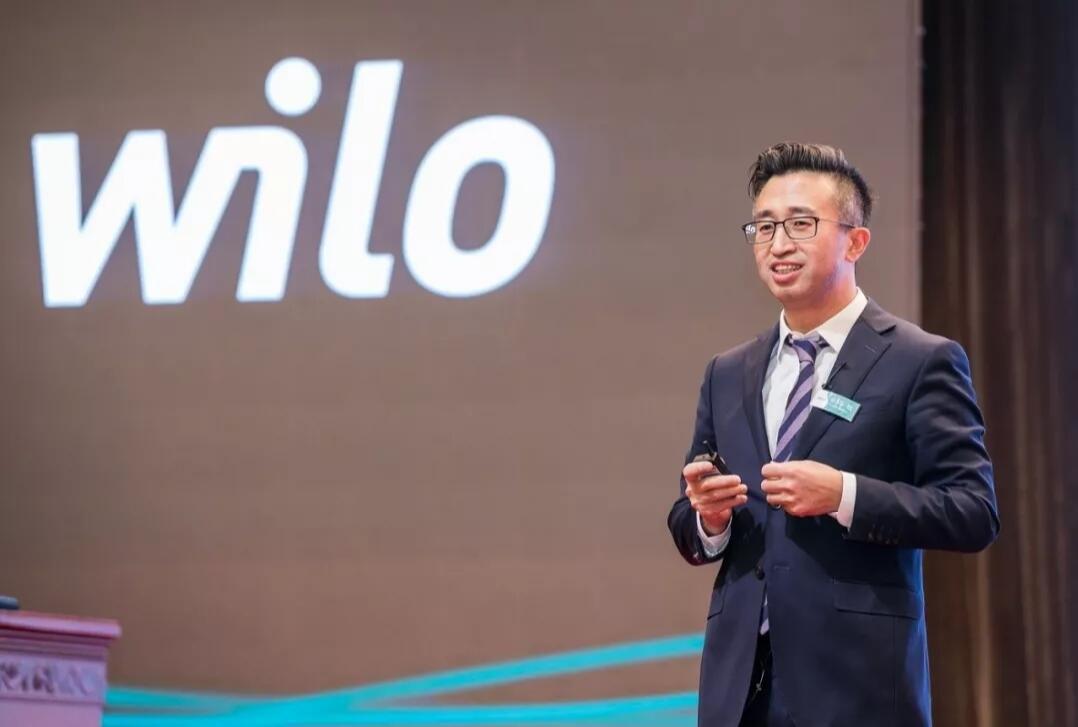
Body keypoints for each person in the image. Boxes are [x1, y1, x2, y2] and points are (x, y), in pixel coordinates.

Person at [667, 142, 999, 727]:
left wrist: (845, 494)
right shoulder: (728, 372)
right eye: (764, 227)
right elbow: (689, 523)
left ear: (855, 241)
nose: (778, 244)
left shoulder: (920, 360)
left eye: (801, 224)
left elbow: (973, 512)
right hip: (739, 691)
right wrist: (708, 519)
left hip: (857, 688)